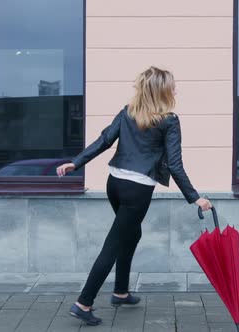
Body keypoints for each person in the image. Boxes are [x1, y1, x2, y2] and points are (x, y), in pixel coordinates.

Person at [56, 66, 213, 326]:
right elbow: (175, 164)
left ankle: (120, 292)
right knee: (114, 243)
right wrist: (195, 197)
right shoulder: (169, 120)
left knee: (131, 233)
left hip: (114, 183)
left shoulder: (128, 112)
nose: (175, 89)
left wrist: (77, 162)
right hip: (137, 189)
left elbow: (104, 140)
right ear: (162, 91)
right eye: (172, 85)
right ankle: (83, 303)